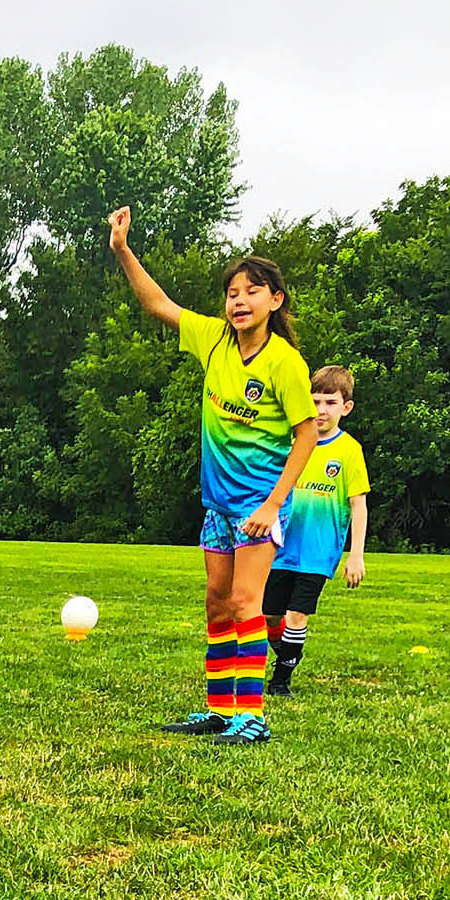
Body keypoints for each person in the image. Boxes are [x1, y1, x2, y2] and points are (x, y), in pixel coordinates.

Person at [108, 208, 316, 744]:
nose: (239, 301)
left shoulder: (285, 363)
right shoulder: (214, 341)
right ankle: (221, 710)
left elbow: (307, 435)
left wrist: (273, 506)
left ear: (276, 300)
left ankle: (252, 718)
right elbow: (158, 303)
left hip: (259, 506)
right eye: (232, 293)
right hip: (219, 507)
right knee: (217, 603)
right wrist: (122, 250)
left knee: (248, 602)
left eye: (252, 291)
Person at [263, 365, 370, 695]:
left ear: (346, 407)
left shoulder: (349, 451)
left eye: (330, 402)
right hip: (280, 546)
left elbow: (358, 505)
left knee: (297, 615)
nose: (321, 410)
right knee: (269, 615)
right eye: (315, 402)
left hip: (317, 550)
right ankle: (288, 654)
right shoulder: (292, 443)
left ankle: (280, 681)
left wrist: (356, 556)